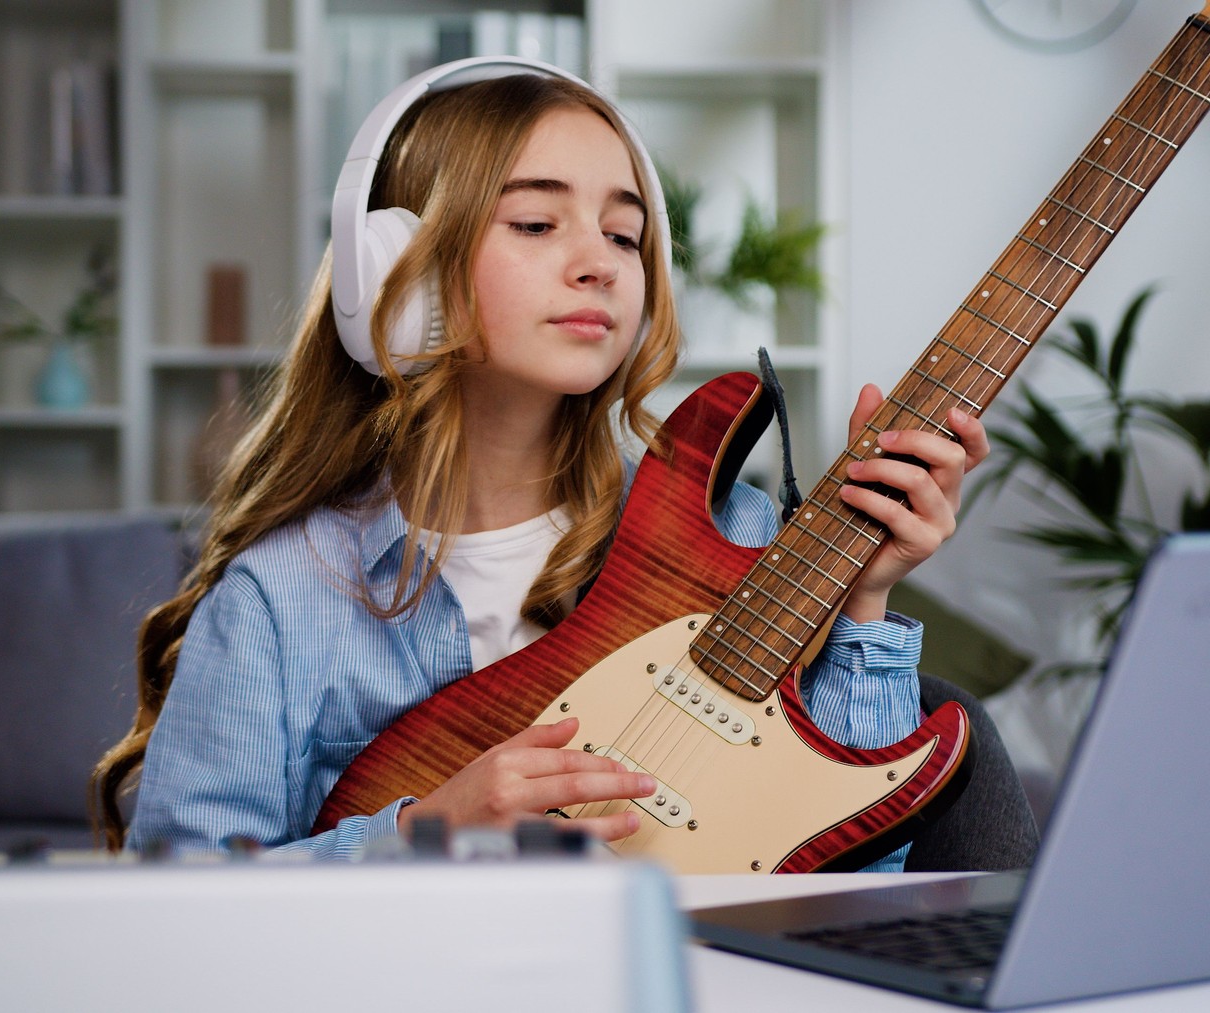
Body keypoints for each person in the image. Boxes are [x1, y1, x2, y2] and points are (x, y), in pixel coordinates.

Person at [92, 59, 989, 870]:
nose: (598, 261)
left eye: (625, 235)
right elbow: (178, 910)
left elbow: (854, 901)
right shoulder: (283, 600)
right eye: (535, 221)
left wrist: (864, 598)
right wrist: (415, 835)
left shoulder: (737, 530)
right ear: (396, 268)